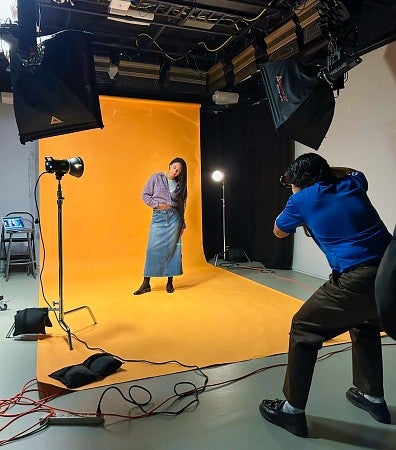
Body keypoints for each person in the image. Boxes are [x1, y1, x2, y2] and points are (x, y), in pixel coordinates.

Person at [259, 153, 392, 437]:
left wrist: (296, 195)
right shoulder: (353, 183)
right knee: (365, 323)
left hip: (357, 278)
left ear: (299, 182)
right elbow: (353, 171)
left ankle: (291, 411)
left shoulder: (300, 200)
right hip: (390, 273)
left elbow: (278, 231)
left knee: (303, 326)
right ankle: (373, 398)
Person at [134, 157, 187, 295]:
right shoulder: (156, 177)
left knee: (173, 250)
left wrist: (183, 223)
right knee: (152, 249)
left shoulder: (180, 185)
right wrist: (158, 205)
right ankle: (146, 284)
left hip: (175, 219)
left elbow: (182, 205)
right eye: (175, 167)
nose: (176, 171)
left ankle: (169, 282)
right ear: (170, 165)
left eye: (179, 170)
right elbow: (144, 195)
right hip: (158, 217)